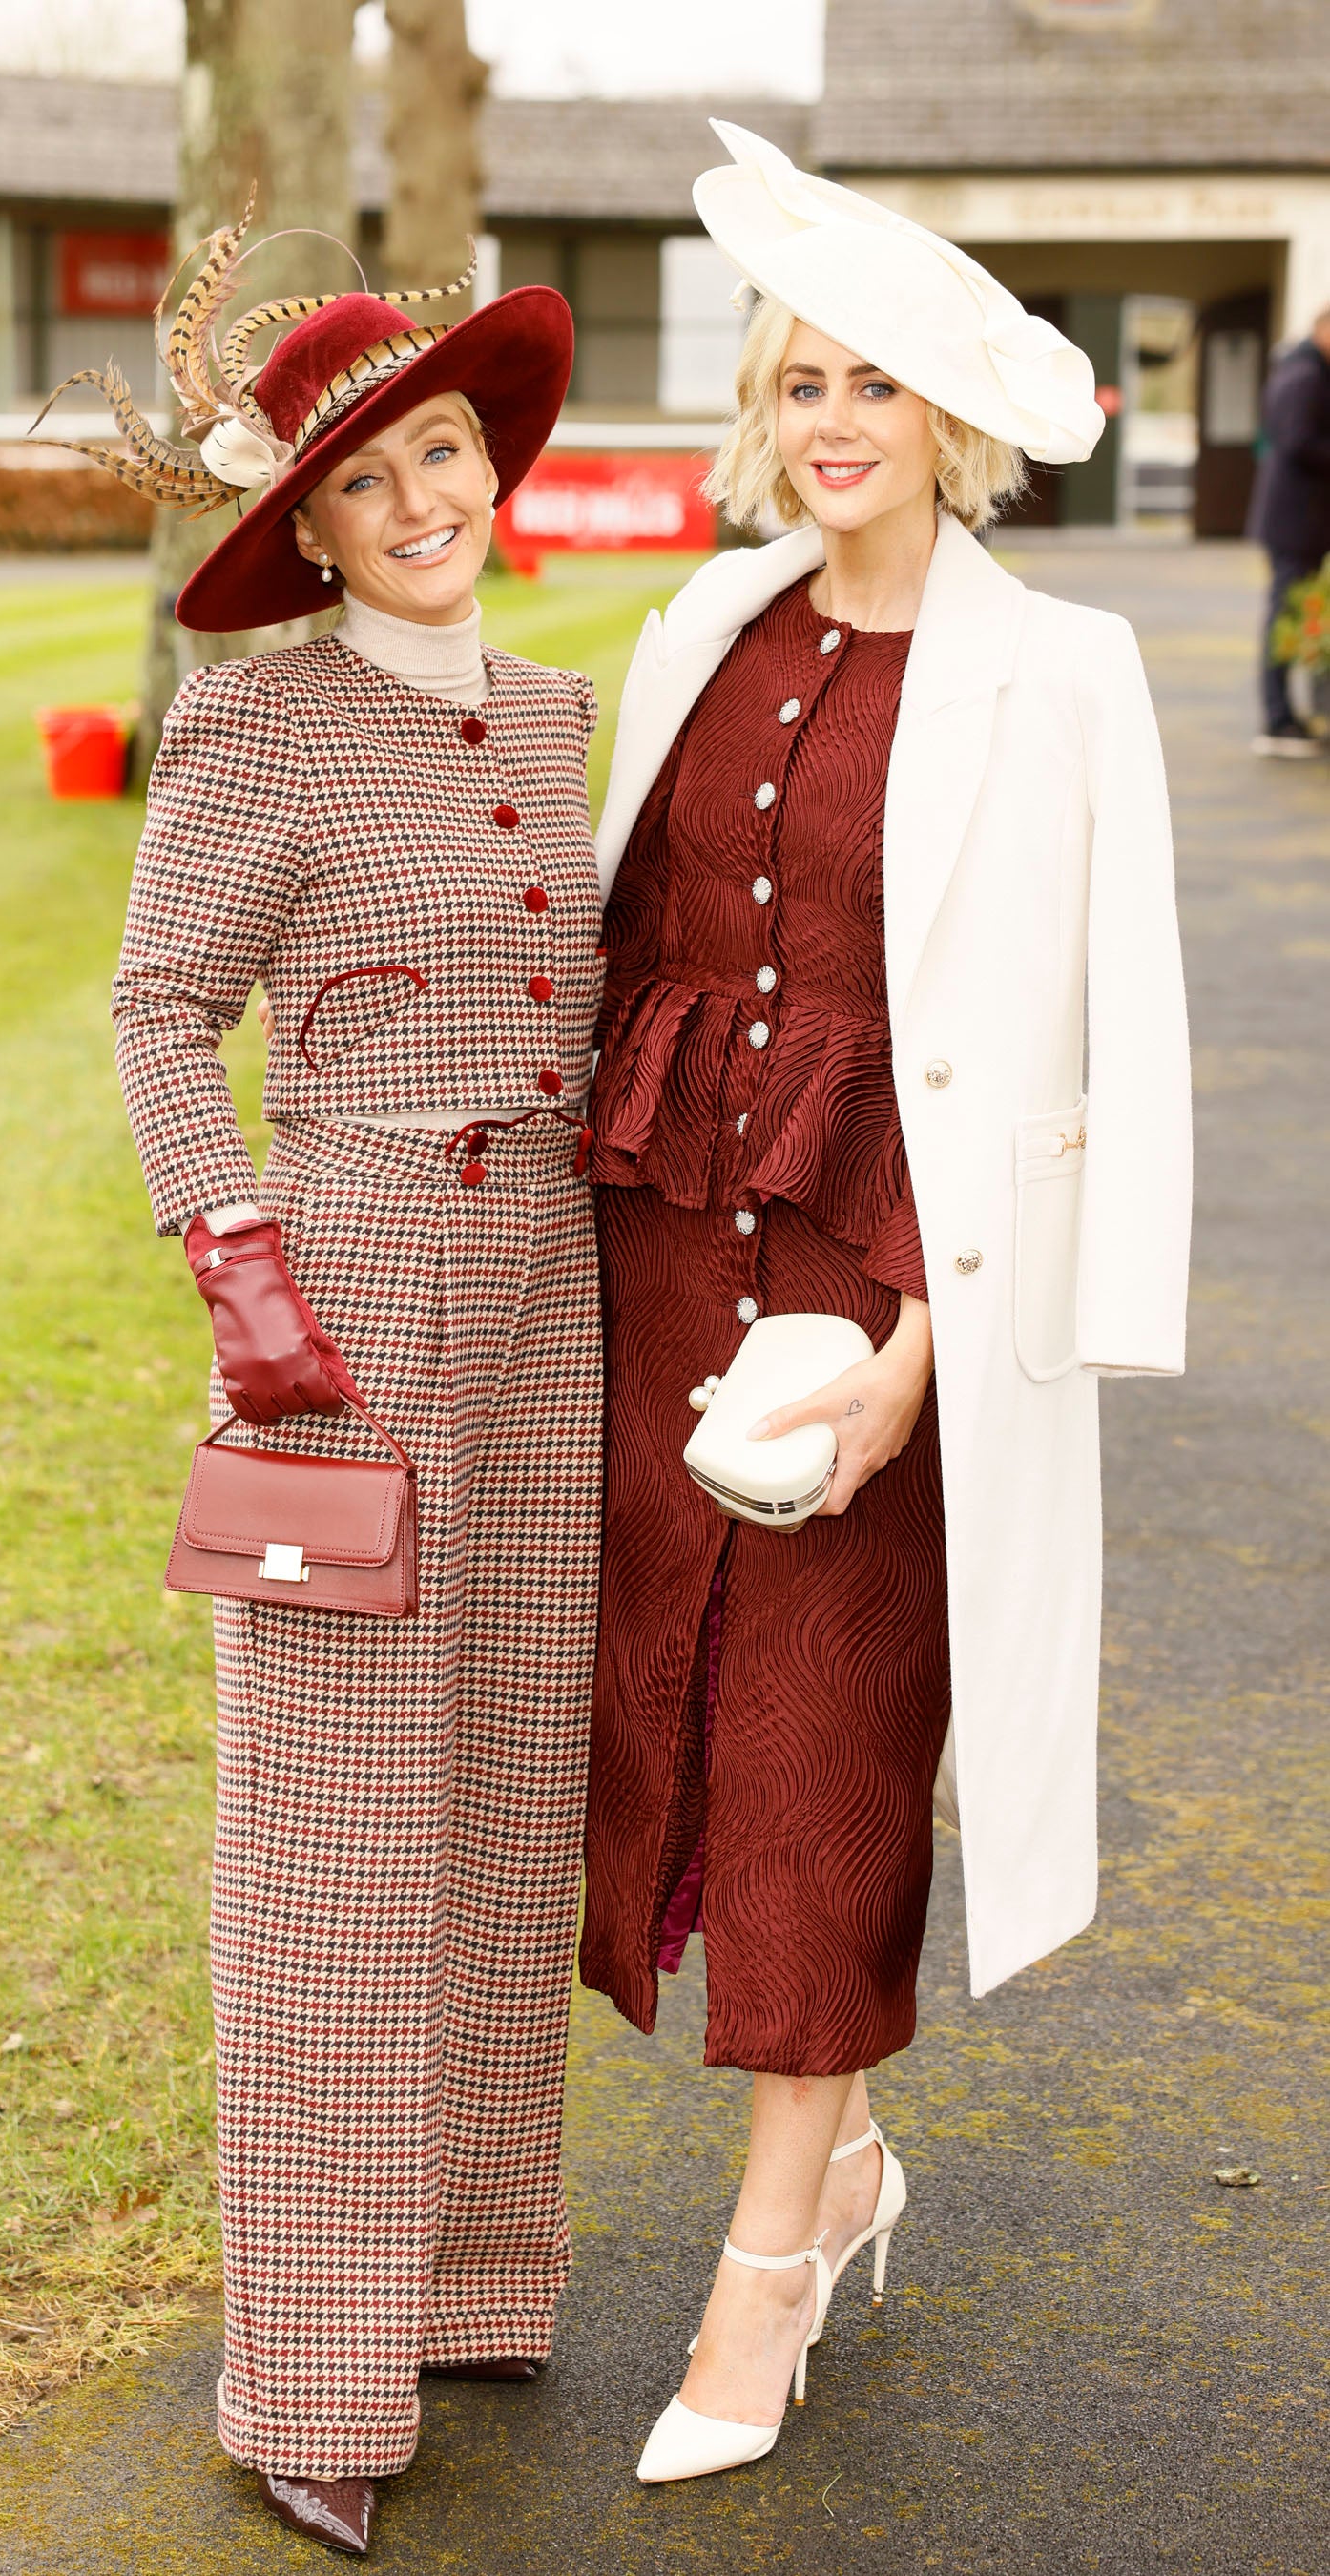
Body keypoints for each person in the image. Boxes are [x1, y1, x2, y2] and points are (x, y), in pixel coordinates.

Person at [578, 123, 1193, 2485]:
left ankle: (761, 2282)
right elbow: (625, 952)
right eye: (802, 379)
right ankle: (838, 2172)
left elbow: (1099, 1033)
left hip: (893, 1296)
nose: (835, 421)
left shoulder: (1065, 671)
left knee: (825, 1761)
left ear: (951, 420)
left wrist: (930, 1351)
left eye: (879, 384)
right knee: (676, 1728)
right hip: (666, 1260)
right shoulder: (697, 626)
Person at [43, 226, 603, 2556]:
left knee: (506, 1798)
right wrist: (236, 1263)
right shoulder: (258, 721)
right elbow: (158, 1006)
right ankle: (310, 2363)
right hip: (345, 1302)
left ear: (493, 460)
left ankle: (467, 2276)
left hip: (553, 1299)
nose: (419, 503)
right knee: (332, 1840)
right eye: (365, 481)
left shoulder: (564, 714)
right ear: (312, 525)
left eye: (442, 452)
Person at [1248, 304, 1330, 757]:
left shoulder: (1303, 369)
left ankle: (1287, 717)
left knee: (1292, 617)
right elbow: (1298, 442)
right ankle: (1278, 722)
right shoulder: (1305, 376)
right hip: (1297, 521)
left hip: (1299, 521)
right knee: (1285, 617)